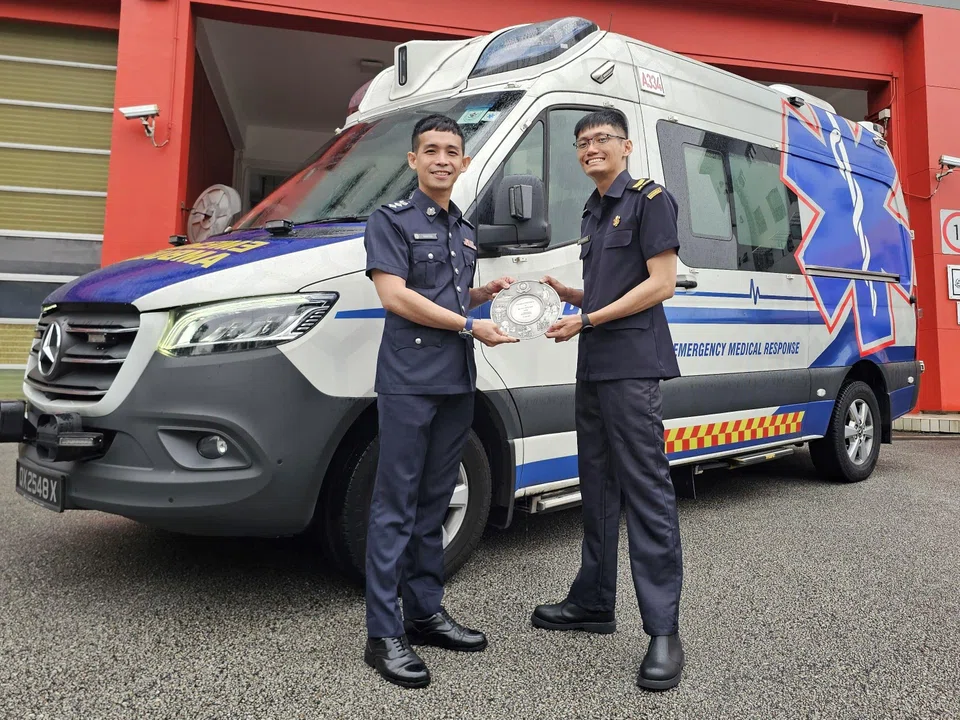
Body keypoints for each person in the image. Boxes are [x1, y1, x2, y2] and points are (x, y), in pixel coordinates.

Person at [362, 113, 518, 689]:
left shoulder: (464, 229)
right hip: (409, 381)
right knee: (395, 505)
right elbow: (396, 296)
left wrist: (482, 294)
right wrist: (470, 324)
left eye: (452, 151)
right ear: (413, 160)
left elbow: (446, 295)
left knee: (433, 502)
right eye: (431, 150)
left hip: (455, 381)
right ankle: (383, 633)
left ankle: (424, 613)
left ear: (464, 161)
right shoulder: (390, 220)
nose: (442, 159)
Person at [532, 108, 686, 691]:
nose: (591, 148)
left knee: (646, 491)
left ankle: (664, 632)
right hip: (595, 364)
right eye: (582, 142)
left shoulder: (650, 200)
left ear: (625, 146)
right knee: (596, 486)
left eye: (601, 139)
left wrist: (588, 317)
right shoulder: (593, 210)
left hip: (632, 367)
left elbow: (660, 283)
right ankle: (593, 601)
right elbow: (609, 288)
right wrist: (570, 296)